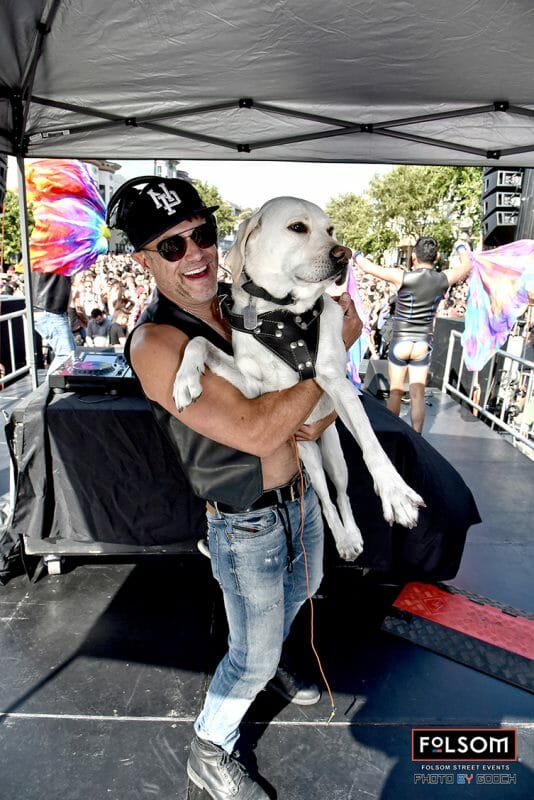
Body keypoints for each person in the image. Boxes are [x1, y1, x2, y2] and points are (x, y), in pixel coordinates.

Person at [106, 176, 361, 800]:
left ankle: (270, 661)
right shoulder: (156, 342)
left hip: (302, 495)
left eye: (202, 234)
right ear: (143, 261)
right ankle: (210, 745)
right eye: (171, 246)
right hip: (247, 521)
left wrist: (325, 383)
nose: (195, 254)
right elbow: (258, 430)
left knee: (306, 591)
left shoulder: (244, 301)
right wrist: (333, 353)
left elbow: (317, 404)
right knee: (251, 655)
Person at [354, 237, 472, 432]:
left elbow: (367, 267)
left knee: (395, 392)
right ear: (437, 256)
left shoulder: (402, 277)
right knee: (417, 395)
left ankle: (394, 435)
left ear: (414, 257)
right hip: (422, 344)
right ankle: (417, 438)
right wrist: (460, 247)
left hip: (401, 342)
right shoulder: (444, 278)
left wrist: (355, 254)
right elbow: (467, 265)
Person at [33, 272, 76, 373]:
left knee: (72, 352)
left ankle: (57, 381)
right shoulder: (54, 263)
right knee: (66, 355)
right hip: (49, 310)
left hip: (50, 310)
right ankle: (50, 382)